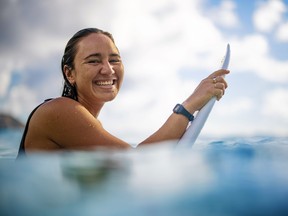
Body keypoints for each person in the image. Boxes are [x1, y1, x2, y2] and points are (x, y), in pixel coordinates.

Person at [17, 28, 229, 156]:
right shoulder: (58, 111)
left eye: (114, 59)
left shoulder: (86, 124)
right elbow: (137, 163)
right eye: (93, 60)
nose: (108, 69)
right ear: (69, 74)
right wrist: (189, 105)